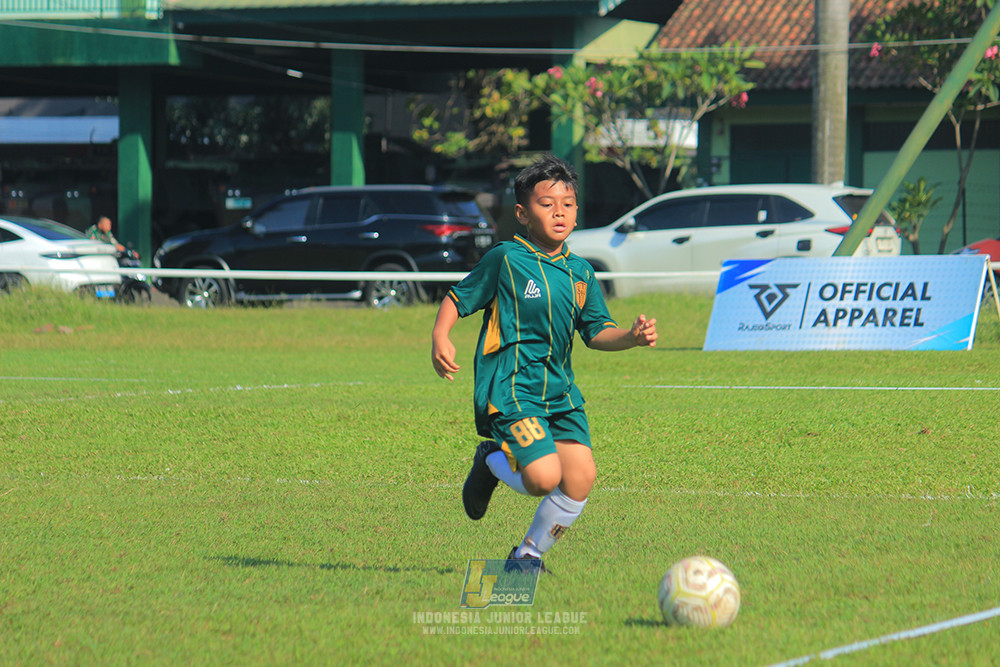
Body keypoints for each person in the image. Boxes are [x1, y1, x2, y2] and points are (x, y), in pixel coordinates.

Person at [431, 153, 658, 573]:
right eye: (546, 203)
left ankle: (527, 556)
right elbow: (457, 298)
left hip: (562, 394)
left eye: (568, 204)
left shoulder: (581, 272)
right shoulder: (506, 259)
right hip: (514, 389)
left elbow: (596, 332)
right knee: (542, 478)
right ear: (522, 213)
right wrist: (440, 336)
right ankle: (491, 461)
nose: (559, 211)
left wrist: (630, 337)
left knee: (580, 478)